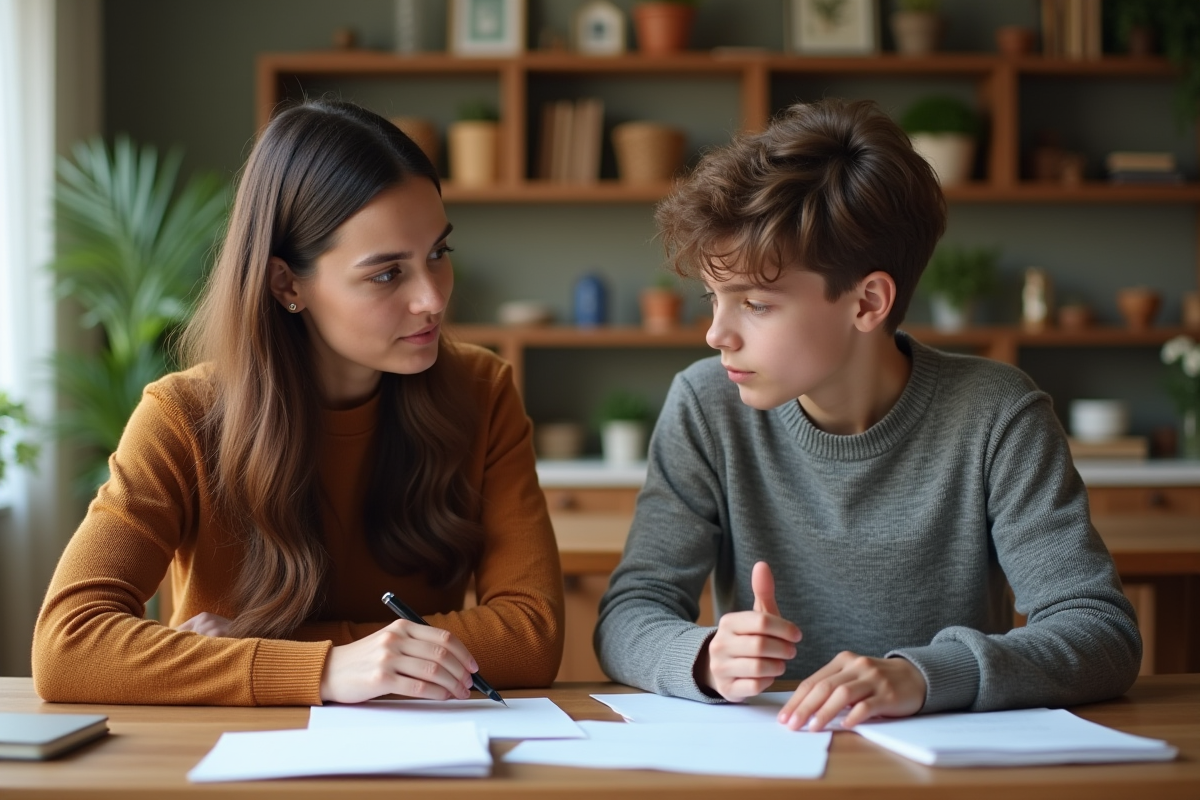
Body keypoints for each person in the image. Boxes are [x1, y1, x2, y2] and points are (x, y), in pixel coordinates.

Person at [594, 98, 1141, 731]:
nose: (717, 334)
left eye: (757, 305)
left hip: (941, 762)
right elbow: (628, 614)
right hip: (770, 757)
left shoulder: (997, 414)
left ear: (867, 302)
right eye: (714, 298)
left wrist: (925, 675)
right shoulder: (706, 404)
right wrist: (703, 658)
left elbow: (1100, 633)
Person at [33, 100, 564, 706]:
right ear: (288, 284)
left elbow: (530, 634)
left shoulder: (482, 391)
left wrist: (261, 652)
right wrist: (329, 672)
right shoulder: (182, 417)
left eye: (438, 255)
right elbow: (66, 646)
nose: (432, 299)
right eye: (388, 273)